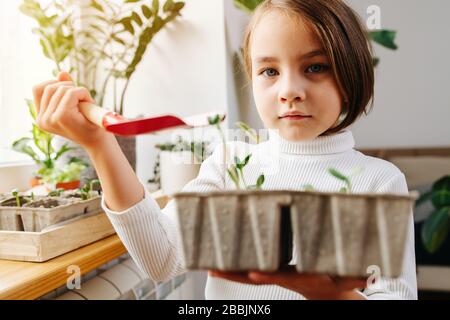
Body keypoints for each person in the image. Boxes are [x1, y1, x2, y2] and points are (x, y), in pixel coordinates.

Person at [32, 0, 417, 300]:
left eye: (315, 67)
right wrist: (100, 145)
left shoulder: (378, 181)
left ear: (351, 74)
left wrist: (327, 295)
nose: (288, 90)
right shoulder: (233, 163)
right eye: (269, 71)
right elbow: (161, 258)